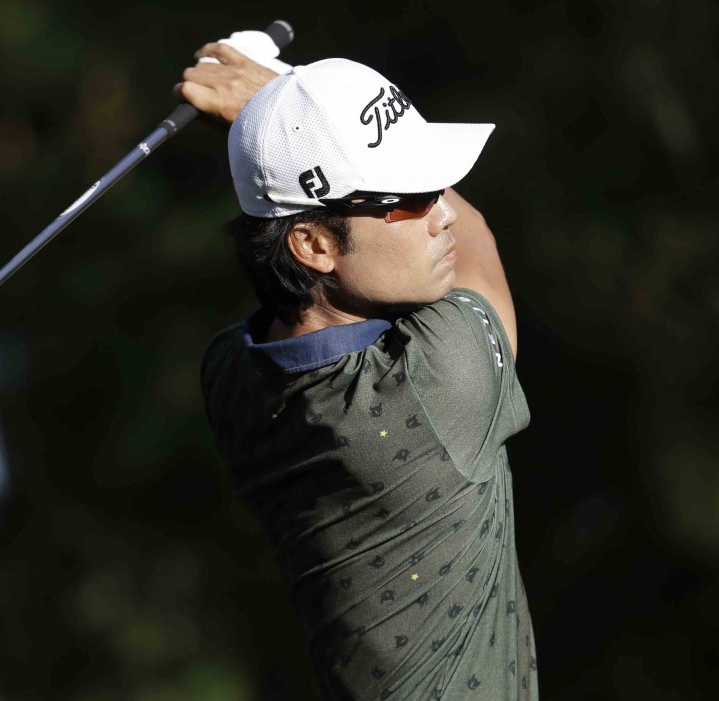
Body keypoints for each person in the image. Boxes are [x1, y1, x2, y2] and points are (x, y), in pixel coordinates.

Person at [178, 42, 537, 700]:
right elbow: (479, 241)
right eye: (408, 198)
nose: (444, 213)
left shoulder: (231, 369)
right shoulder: (441, 382)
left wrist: (280, 125)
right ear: (312, 243)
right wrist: (269, 95)